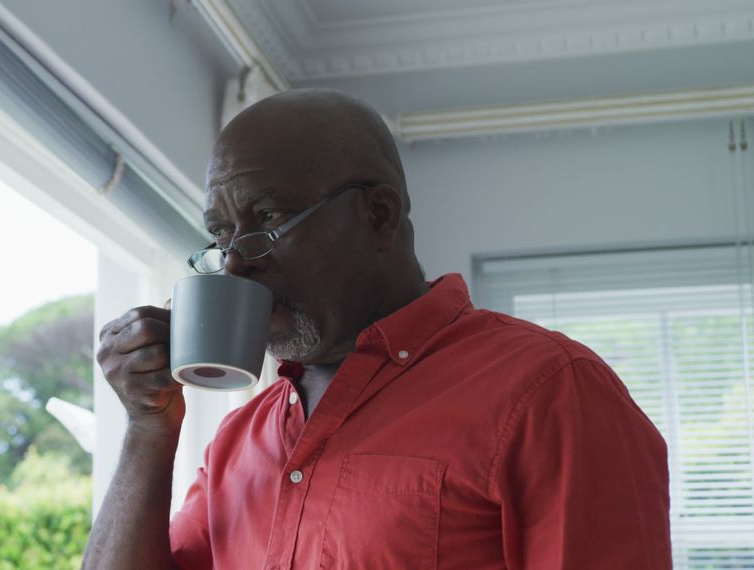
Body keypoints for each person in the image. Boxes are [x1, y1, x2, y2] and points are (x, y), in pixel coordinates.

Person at [82, 88, 671, 569]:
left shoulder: (549, 391)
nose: (236, 262)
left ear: (379, 215)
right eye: (221, 235)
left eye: (268, 217)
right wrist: (147, 429)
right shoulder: (239, 440)